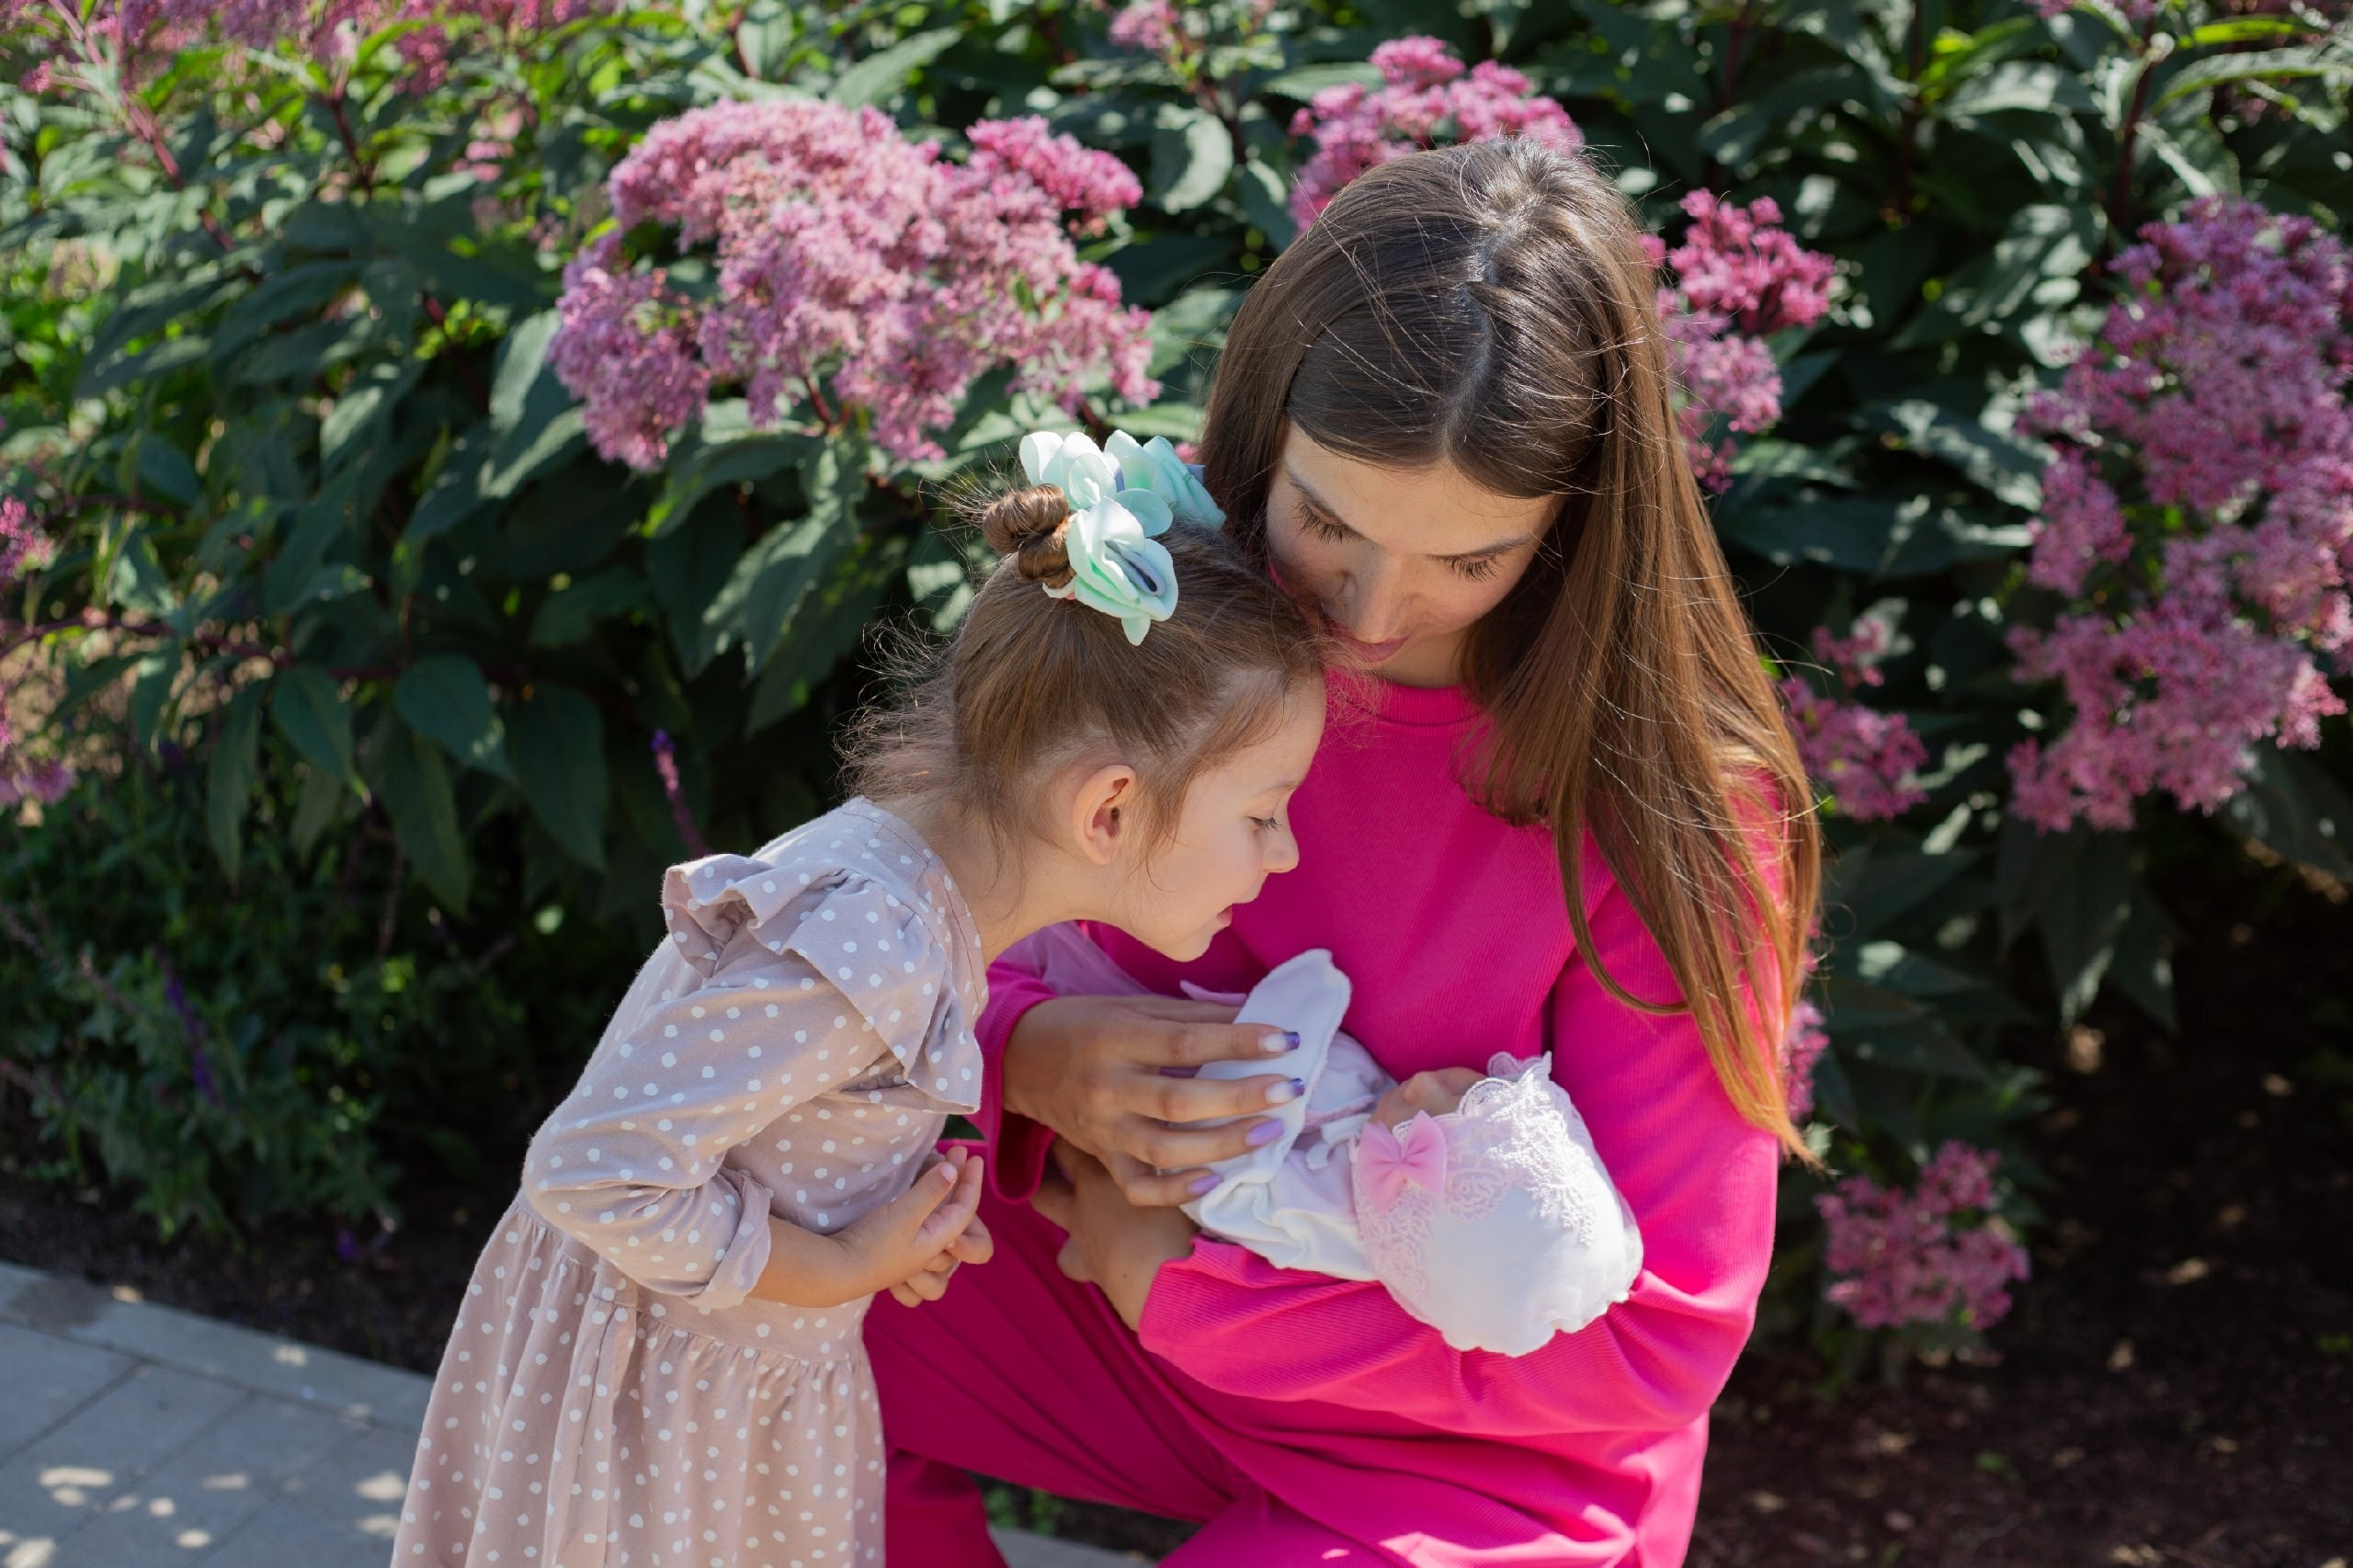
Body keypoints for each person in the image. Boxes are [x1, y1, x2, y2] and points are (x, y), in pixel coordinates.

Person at [865, 136, 1823, 1566]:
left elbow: (1655, 1339)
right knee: (746, 1267)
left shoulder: (1664, 804)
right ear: (1263, 431)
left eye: (1470, 559)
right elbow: (879, 919)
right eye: (1327, 521)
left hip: (1474, 1453)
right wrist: (1031, 1054)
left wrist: (1187, 1288)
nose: (1371, 613)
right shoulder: (1155, 597)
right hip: (1099, 1312)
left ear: (1575, 527)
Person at [389, 427, 1327, 1568]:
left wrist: (862, 1230)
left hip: (723, 1383)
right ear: (1110, 811)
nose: (1281, 855)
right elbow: (595, 1169)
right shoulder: (877, 944)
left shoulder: (912, 905)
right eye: (1264, 811)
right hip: (658, 1410)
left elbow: (746, 1137)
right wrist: (839, 1269)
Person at [1008, 924, 1646, 1356]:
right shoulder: (1392, 1210)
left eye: (1436, 1125)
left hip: (1160, 1104)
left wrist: (1298, 1035)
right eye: (1483, 1094)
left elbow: (1230, 1197)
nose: (1423, 1088)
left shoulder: (1331, 1216)